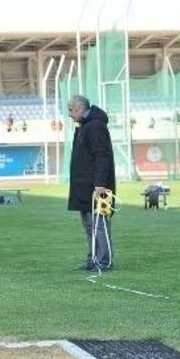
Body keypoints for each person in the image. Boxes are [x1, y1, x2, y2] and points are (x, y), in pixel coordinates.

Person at [67, 94, 116, 271]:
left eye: (71, 110)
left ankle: (104, 261)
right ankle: (94, 259)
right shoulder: (83, 127)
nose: (69, 114)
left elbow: (101, 155)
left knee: (98, 224)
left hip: (96, 186)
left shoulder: (95, 126)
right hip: (84, 186)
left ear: (80, 108)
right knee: (90, 225)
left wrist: (100, 183)